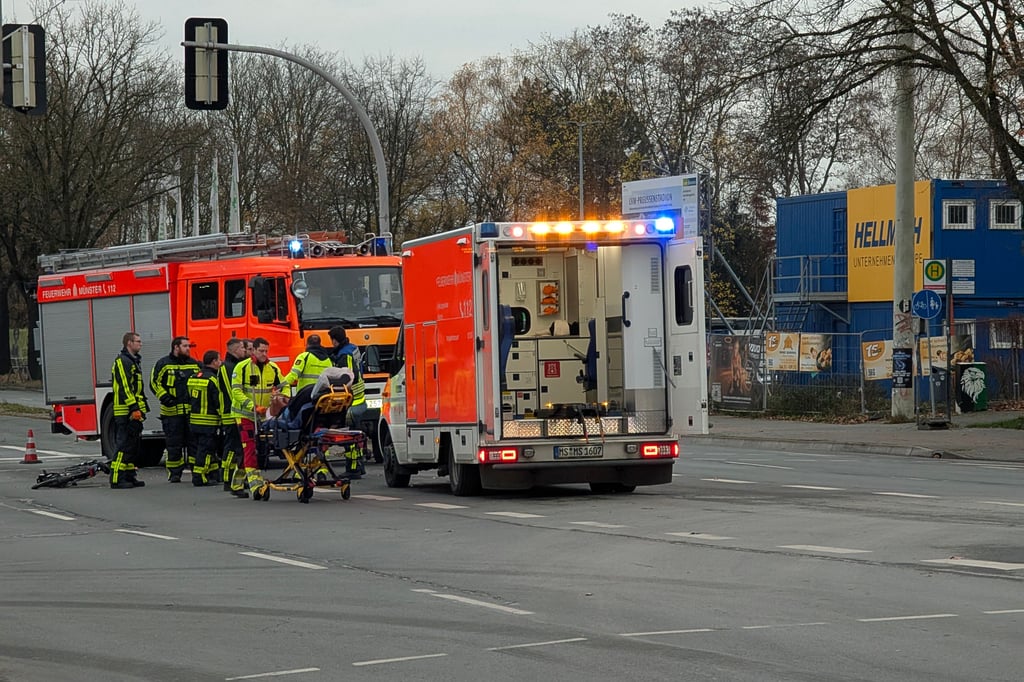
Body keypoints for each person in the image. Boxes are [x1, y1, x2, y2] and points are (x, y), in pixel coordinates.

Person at [231, 337, 283, 495]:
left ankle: (236, 483)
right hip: (244, 414)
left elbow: (284, 385)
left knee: (258, 448)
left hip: (263, 416)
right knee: (250, 447)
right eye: (261, 350)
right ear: (252, 350)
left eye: (266, 351)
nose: (264, 354)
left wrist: (281, 397)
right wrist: (252, 406)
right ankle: (255, 485)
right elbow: (236, 391)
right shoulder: (242, 368)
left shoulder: (273, 368)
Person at [151, 336, 200, 482]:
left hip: (190, 413)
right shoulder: (163, 364)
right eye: (185, 346)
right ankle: (174, 473)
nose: (188, 349)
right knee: (173, 444)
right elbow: (154, 383)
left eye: (189, 346)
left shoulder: (194, 364)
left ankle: (196, 471)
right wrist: (164, 397)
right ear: (176, 347)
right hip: (171, 413)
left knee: (194, 444)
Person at [110, 331, 149, 489]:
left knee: (133, 446)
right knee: (124, 444)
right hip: (125, 410)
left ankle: (129, 475)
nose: (140, 344)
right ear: (129, 343)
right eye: (137, 341)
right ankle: (117, 478)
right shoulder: (122, 361)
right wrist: (133, 408)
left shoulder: (133, 361)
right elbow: (125, 387)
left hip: (134, 409)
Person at [187, 350, 224, 487]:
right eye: (219, 360)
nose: (220, 363)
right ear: (214, 361)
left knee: (201, 449)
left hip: (194, 420)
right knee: (206, 450)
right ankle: (199, 476)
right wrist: (223, 418)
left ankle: (213, 474)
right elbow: (218, 402)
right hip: (209, 421)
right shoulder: (213, 379)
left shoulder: (193, 377)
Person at [220, 338, 247, 496]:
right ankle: (227, 479)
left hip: (238, 413)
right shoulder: (226, 367)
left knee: (239, 448)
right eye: (242, 348)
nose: (244, 351)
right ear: (235, 349)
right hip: (231, 414)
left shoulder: (237, 366)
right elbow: (231, 392)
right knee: (232, 448)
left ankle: (235, 480)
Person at [328, 326, 367, 433]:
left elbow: (348, 376)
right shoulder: (353, 348)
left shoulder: (344, 355)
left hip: (352, 398)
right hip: (360, 395)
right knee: (357, 430)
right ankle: (357, 448)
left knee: (350, 432)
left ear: (335, 340)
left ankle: (352, 449)